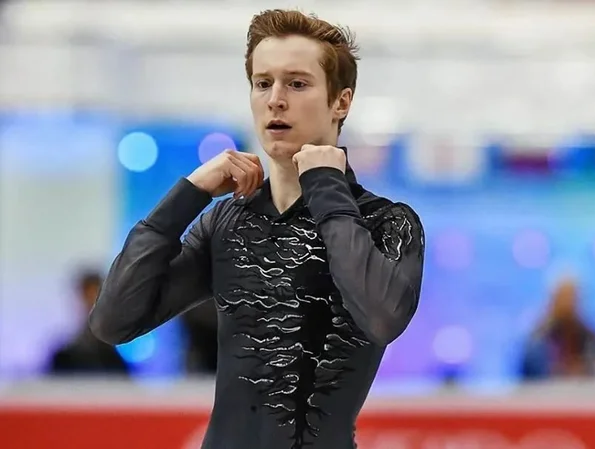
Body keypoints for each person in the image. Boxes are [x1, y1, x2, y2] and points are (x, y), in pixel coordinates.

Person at [89, 9, 425, 449]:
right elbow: (113, 322)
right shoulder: (227, 222)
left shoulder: (387, 222)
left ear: (341, 102)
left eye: (297, 84)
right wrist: (188, 195)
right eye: (263, 83)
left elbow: (381, 318)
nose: (276, 100)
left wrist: (326, 184)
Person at [520, 277, 595, 380]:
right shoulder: (537, 342)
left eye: (571, 298)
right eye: (563, 298)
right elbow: (528, 381)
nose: (567, 304)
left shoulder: (592, 341)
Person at [49, 271, 129, 376]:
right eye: (87, 297)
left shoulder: (115, 359)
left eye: (95, 298)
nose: (91, 305)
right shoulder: (65, 357)